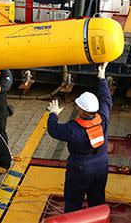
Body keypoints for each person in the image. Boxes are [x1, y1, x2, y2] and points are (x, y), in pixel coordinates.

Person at [46, 63, 112, 213]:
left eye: (78, 106)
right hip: (101, 165)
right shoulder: (103, 118)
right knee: (97, 200)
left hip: (80, 169)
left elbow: (53, 130)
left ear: (82, 111)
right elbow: (106, 98)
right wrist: (102, 77)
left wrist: (53, 113)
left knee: (73, 201)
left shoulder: (73, 129)